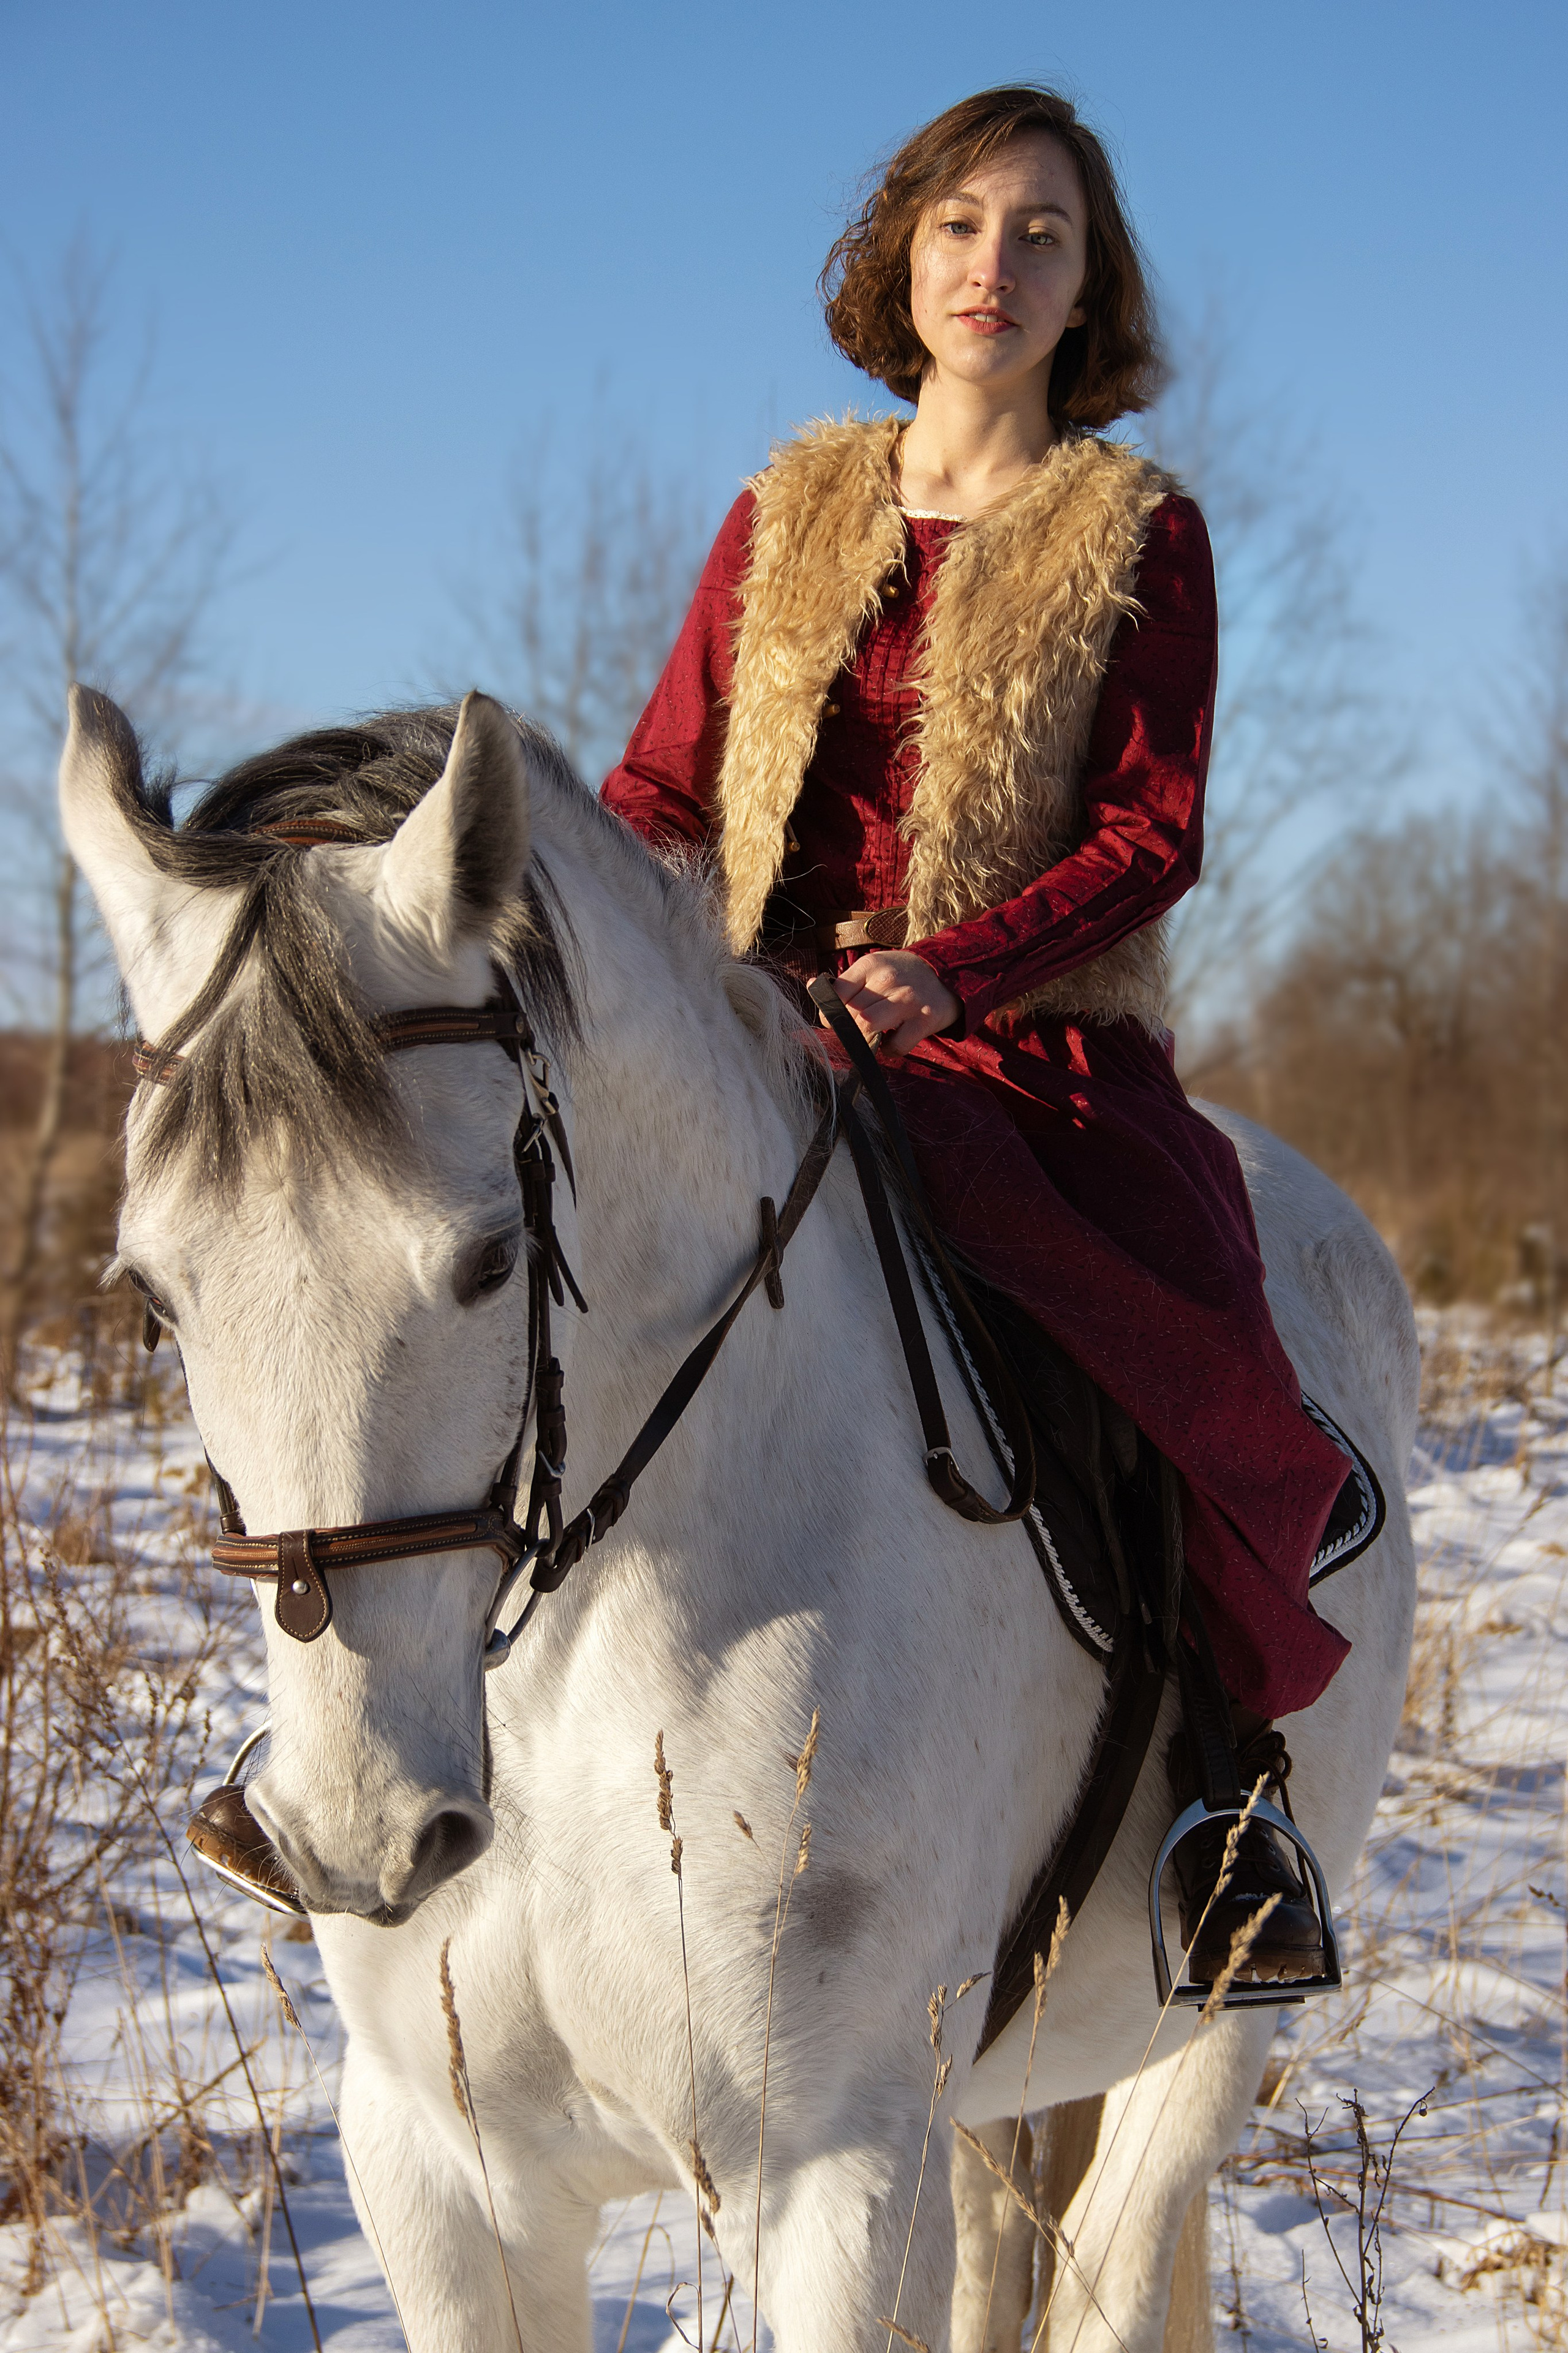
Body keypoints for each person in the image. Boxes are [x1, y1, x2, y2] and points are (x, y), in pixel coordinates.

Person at [600, 85, 1355, 1984]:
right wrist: (606, 947)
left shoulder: (1135, 528)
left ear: (1091, 289)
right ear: (899, 253)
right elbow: (661, 789)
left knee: (1131, 1322)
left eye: (1042, 235)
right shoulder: (786, 508)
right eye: (959, 224)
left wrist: (955, 970)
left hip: (1022, 1043)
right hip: (752, 1017)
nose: (992, 267)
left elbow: (1147, 832)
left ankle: (1225, 1792)